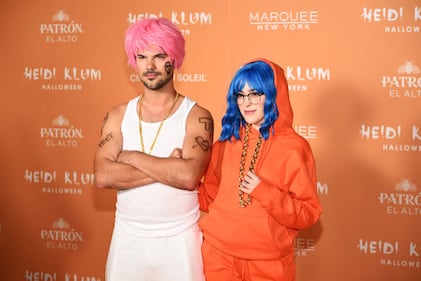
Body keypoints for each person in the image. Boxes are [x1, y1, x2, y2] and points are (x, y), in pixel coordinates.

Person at [93, 18, 213, 281]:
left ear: (175, 58)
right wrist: (167, 165)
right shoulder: (117, 115)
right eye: (142, 56)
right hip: (127, 241)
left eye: (159, 56)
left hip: (180, 242)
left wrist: (131, 157)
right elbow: (103, 176)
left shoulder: (196, 116)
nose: (150, 65)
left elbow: (188, 176)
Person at [198, 58, 321, 281]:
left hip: (269, 264)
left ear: (273, 95)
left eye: (255, 93)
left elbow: (308, 214)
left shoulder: (295, 148)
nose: (247, 102)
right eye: (241, 95)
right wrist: (181, 174)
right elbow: (208, 198)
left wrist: (266, 192)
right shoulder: (226, 142)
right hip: (218, 257)